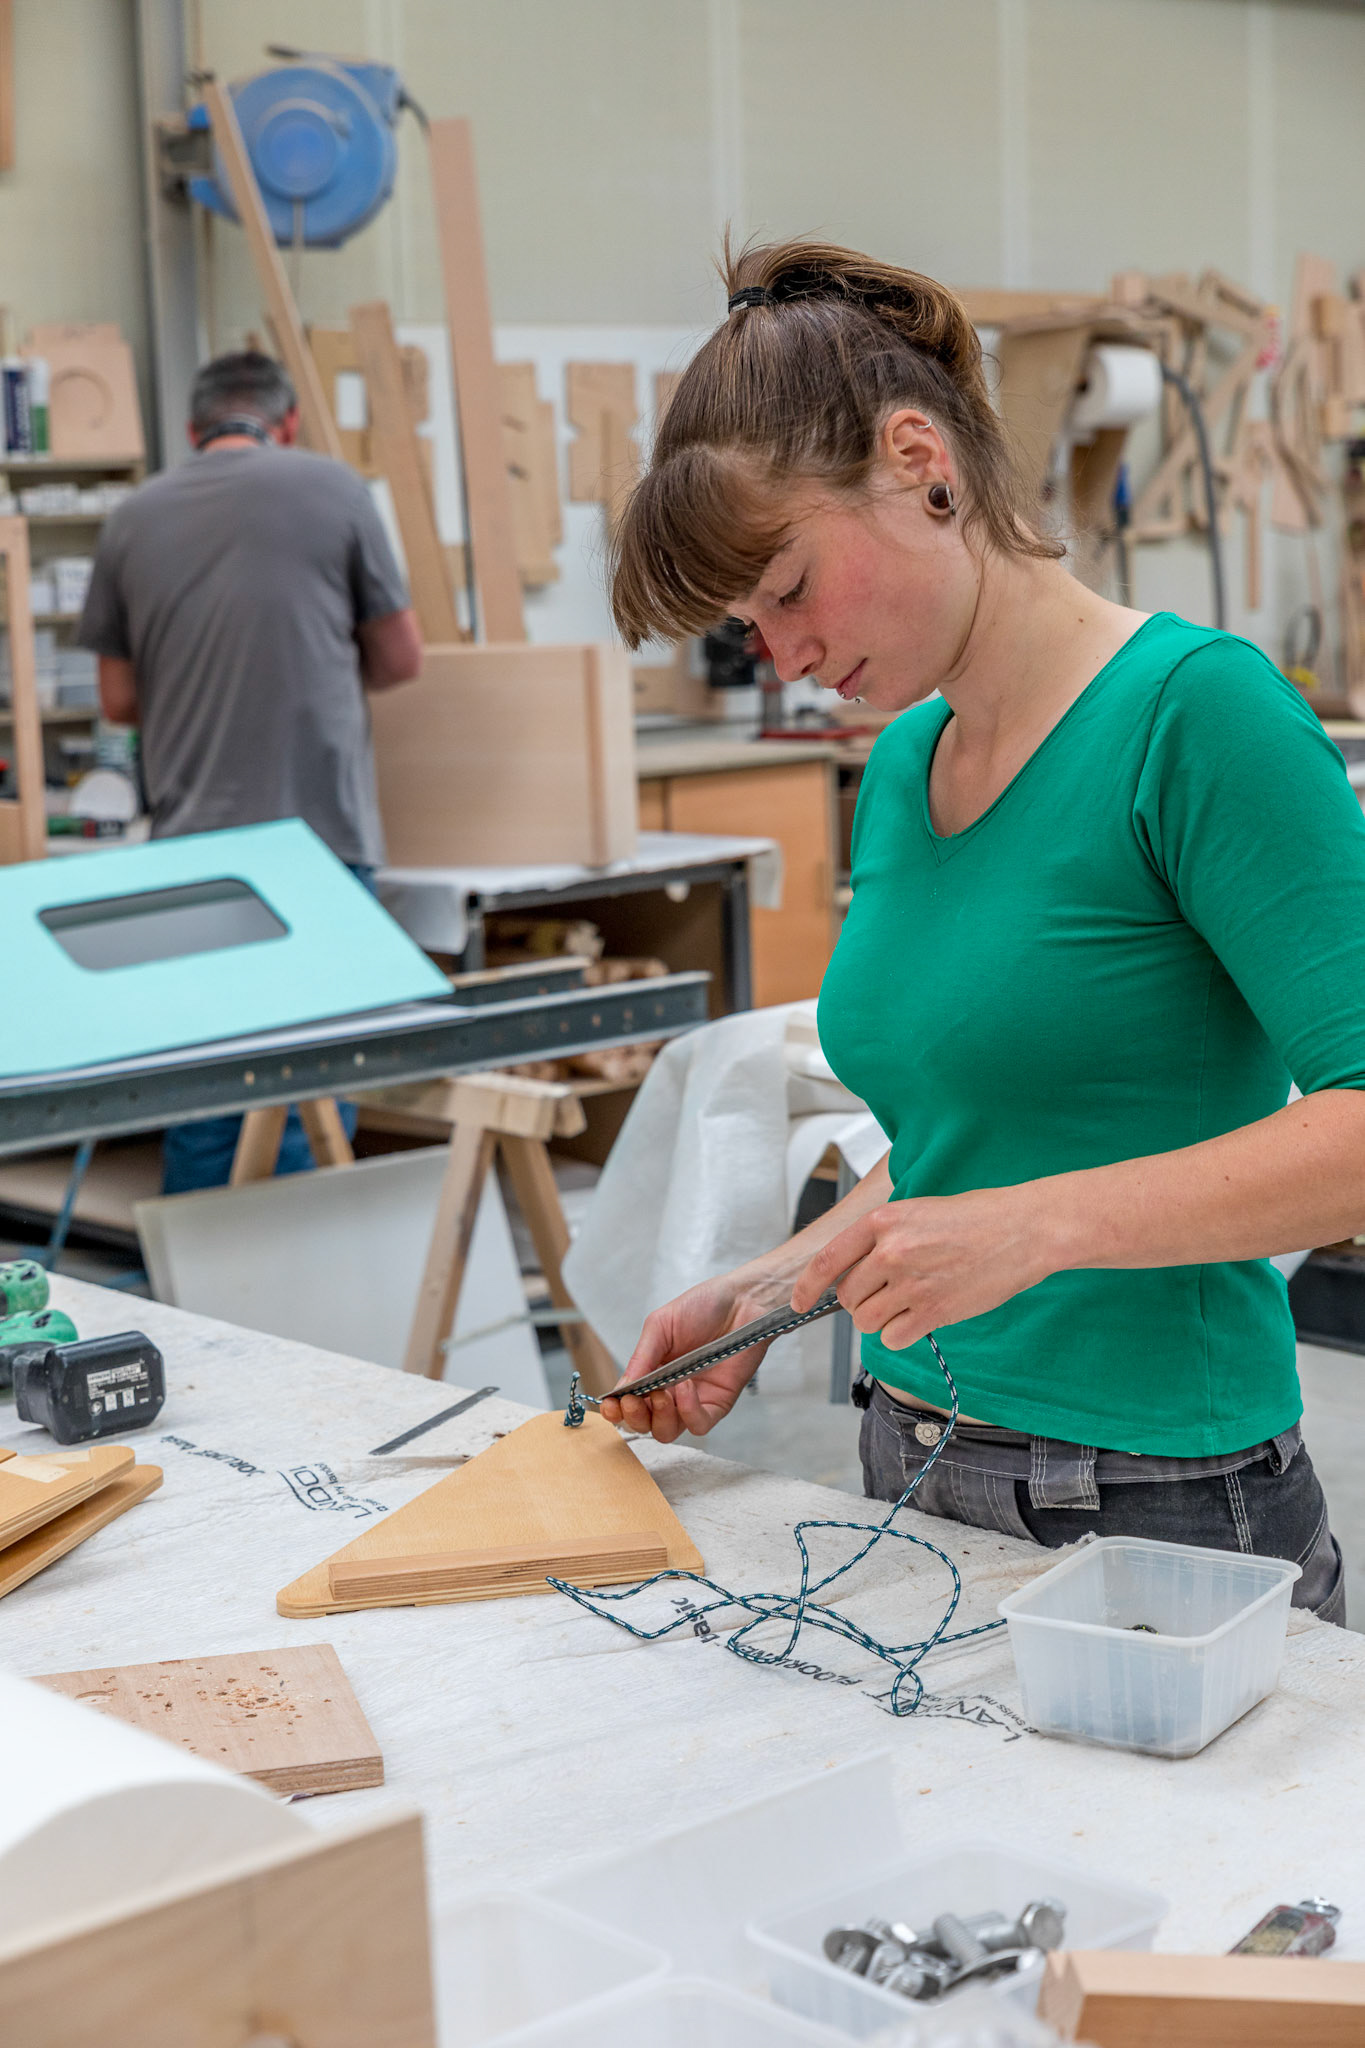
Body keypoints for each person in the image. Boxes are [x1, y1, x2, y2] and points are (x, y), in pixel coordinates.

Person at [600, 240, 1365, 1625]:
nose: (782, 657)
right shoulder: (901, 767)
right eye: (746, 625)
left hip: (1162, 1502)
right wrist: (776, 1283)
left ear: (918, 462)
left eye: (786, 590)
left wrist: (1041, 1228)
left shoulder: (1196, 715)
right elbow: (984, 1141)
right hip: (906, 1456)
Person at [78, 350, 423, 1193]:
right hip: (321, 837)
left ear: (193, 431)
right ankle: (303, 1291)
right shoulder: (336, 490)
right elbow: (402, 657)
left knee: (207, 1082)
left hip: (194, 846)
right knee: (314, 1081)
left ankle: (198, 1300)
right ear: (287, 421)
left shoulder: (132, 516)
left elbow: (117, 698)